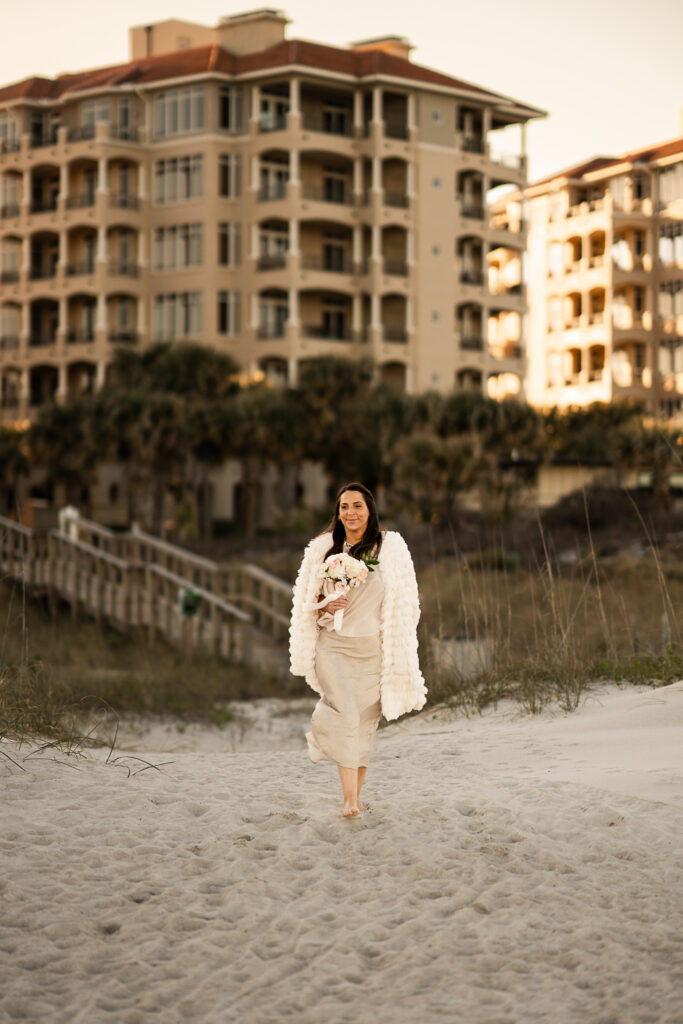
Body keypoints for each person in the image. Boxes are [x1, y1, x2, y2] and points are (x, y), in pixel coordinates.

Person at [289, 482, 427, 818]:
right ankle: (348, 800)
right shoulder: (323, 550)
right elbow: (308, 607)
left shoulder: (390, 548)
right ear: (338, 513)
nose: (350, 513)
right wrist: (326, 605)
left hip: (373, 651)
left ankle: (355, 795)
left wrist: (400, 642)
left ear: (370, 511)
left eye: (357, 506)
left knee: (364, 725)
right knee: (347, 715)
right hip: (333, 649)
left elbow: (409, 602)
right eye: (344, 507)